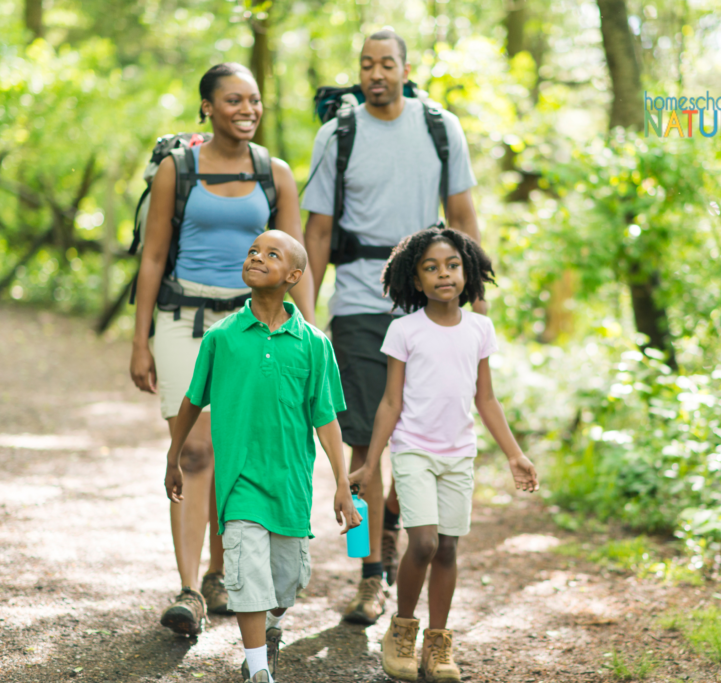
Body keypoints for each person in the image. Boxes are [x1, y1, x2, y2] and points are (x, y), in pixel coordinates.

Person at [303, 28, 485, 625]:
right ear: (358, 73)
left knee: (419, 433)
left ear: (405, 70)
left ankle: (387, 531)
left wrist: (473, 298)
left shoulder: (441, 127)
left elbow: (461, 218)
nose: (376, 73)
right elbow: (320, 232)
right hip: (357, 303)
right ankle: (366, 572)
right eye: (366, 65)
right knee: (363, 441)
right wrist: (305, 315)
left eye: (387, 64)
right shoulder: (338, 135)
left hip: (425, 305)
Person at [129, 62, 316, 636]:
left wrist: (306, 335)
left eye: (254, 100)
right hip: (183, 321)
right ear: (207, 107)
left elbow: (297, 261)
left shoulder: (275, 173)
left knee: (239, 451)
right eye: (234, 100)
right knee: (196, 450)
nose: (248, 110)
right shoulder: (176, 169)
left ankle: (219, 575)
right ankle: (189, 589)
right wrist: (140, 342)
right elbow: (154, 256)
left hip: (250, 329)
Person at [165, 230, 359, 683]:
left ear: (293, 275)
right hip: (240, 484)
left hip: (290, 484)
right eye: (253, 251)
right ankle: (258, 672)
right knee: (247, 578)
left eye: (271, 254)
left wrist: (342, 483)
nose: (257, 257)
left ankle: (272, 630)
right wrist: (173, 455)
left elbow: (326, 418)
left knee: (283, 586)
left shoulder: (314, 344)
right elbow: (193, 400)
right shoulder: (222, 337)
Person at [348, 227, 539, 683]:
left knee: (449, 548)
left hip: (459, 454)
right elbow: (390, 402)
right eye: (430, 268)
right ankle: (402, 633)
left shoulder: (479, 328)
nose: (443, 274)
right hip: (413, 451)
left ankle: (437, 643)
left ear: (467, 270)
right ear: (415, 281)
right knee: (426, 543)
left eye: (452, 265)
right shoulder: (404, 330)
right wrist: (371, 464)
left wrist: (514, 454)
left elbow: (486, 399)